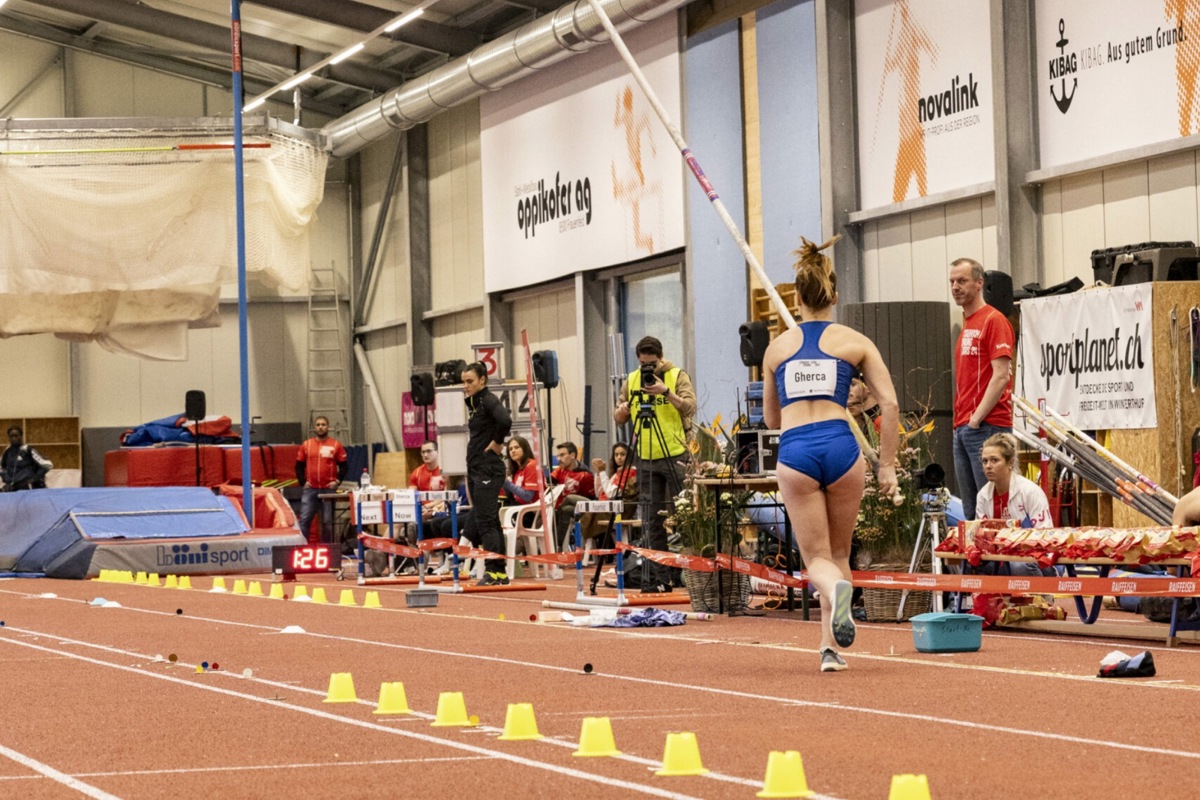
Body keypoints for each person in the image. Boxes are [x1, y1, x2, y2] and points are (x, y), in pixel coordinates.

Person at [762, 235, 899, 673]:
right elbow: (890, 403)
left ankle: (829, 643)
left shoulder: (777, 348)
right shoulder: (854, 341)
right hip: (843, 446)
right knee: (839, 555)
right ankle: (830, 649)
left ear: (797, 297)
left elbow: (770, 420)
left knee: (817, 560)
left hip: (798, 448)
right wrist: (888, 465)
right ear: (834, 297)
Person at [614, 335, 696, 593]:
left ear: (660, 358)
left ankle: (693, 574)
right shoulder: (632, 379)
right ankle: (660, 578)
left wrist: (666, 392)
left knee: (688, 518)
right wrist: (624, 409)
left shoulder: (676, 375)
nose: (647, 370)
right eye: (642, 364)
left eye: (651, 364)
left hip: (676, 454)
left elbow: (690, 407)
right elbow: (618, 418)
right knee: (651, 521)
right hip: (646, 457)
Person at [950, 257, 1015, 521]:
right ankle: (977, 562)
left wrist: (977, 418)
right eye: (952, 281)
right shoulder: (967, 324)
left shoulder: (993, 320)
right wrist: (962, 423)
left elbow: (1001, 376)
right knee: (972, 512)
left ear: (979, 283)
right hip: (964, 427)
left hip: (986, 425)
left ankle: (1001, 563)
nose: (955, 286)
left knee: (993, 509)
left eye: (962, 280)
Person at [460, 361, 512, 586]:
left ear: (482, 380)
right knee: (489, 521)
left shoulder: (489, 400)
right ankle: (500, 572)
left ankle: (492, 571)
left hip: (487, 469)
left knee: (486, 522)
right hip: (477, 469)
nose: (466, 386)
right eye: (464, 382)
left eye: (470, 381)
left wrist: (498, 442)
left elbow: (505, 420)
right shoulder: (476, 404)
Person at [975, 432, 1054, 578]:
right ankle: (991, 600)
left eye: (994, 460)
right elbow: (981, 539)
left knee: (1018, 564)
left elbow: (1046, 538)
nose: (988, 466)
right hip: (999, 559)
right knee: (965, 562)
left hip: (1035, 560)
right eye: (985, 461)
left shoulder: (1030, 492)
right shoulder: (982, 496)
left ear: (1010, 462)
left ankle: (1040, 598)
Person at [295, 416, 347, 543]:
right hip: (310, 489)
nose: (320, 427)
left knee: (328, 523)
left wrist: (337, 481)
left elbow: (344, 466)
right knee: (304, 520)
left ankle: (327, 550)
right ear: (314, 427)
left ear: (328, 427)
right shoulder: (306, 445)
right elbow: (298, 466)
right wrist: (303, 482)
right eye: (318, 424)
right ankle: (303, 548)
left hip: (328, 491)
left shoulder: (335, 445)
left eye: (323, 424)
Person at [551, 441, 596, 547]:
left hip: (583, 509)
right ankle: (554, 545)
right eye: (558, 456)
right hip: (563, 509)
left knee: (567, 502)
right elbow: (549, 481)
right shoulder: (560, 470)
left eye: (562, 455)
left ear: (572, 455)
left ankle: (557, 545)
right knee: (559, 510)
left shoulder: (585, 475)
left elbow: (590, 499)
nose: (558, 459)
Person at [1, 426, 52, 491]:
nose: (14, 438)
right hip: (13, 487)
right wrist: (6, 479)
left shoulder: (28, 450)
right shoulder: (7, 452)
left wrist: (33, 479)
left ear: (21, 436)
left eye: (16, 436)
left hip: (29, 488)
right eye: (11, 436)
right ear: (8, 437)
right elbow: (2, 468)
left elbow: (48, 465)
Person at [503, 435, 541, 505]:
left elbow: (527, 496)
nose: (513, 451)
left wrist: (506, 482)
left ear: (525, 449)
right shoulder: (517, 469)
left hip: (530, 509)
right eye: (510, 449)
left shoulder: (532, 465)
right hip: (519, 506)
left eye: (516, 447)